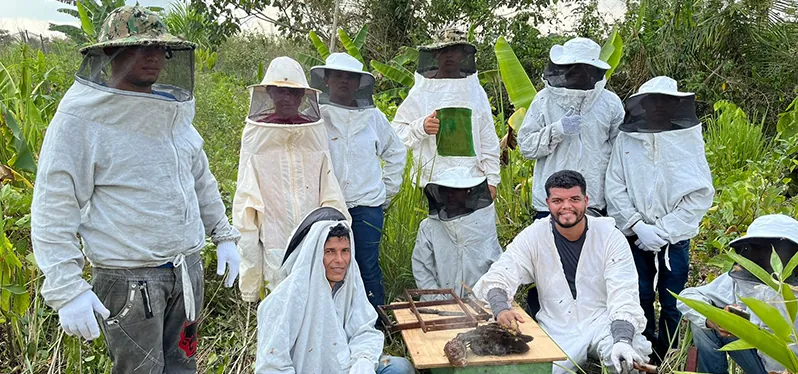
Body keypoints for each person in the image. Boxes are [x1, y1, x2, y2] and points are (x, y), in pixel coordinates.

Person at [30, 6, 241, 373]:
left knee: (183, 367)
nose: (154, 57)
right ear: (111, 52)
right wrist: (66, 289)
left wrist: (223, 234)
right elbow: (54, 203)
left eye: (160, 49)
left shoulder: (171, 109)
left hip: (186, 270)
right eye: (141, 47)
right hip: (128, 280)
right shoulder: (82, 118)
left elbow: (200, 178)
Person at [472, 170, 652, 374]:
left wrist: (622, 339)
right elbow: (500, 275)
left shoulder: (610, 236)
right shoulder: (534, 236)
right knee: (540, 370)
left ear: (586, 200)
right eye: (558, 200)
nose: (567, 206)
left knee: (629, 359)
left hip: (603, 322)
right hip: (556, 327)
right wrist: (501, 309)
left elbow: (624, 294)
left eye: (574, 199)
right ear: (548, 203)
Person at [605, 76, 715, 362]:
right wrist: (638, 225)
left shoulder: (687, 140)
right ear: (641, 105)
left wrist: (664, 230)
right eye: (650, 101)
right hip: (633, 237)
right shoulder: (626, 138)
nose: (656, 107)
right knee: (637, 295)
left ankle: (669, 357)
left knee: (672, 300)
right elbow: (615, 184)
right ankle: (642, 354)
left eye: (663, 101)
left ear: (674, 105)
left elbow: (700, 194)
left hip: (674, 240)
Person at [517, 36, 625, 318]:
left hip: (592, 201)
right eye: (572, 67)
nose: (577, 74)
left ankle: (588, 326)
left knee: (593, 269)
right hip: (549, 202)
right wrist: (556, 129)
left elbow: (619, 155)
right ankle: (544, 327)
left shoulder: (611, 104)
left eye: (583, 68)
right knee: (545, 266)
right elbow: (526, 145)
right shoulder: (543, 101)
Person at [234, 56, 350, 302]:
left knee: (316, 298)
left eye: (292, 92)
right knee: (279, 300)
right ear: (270, 94)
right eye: (280, 91)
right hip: (273, 233)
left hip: (314, 233)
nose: (286, 97)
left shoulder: (315, 130)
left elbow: (328, 184)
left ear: (301, 97)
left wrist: (337, 226)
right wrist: (250, 280)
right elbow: (246, 195)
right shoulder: (256, 133)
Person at [255, 207, 415, 374]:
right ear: (315, 255)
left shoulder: (350, 285)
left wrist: (363, 362)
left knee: (398, 368)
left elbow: (364, 330)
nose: (340, 260)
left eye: (345, 251)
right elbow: (272, 366)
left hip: (345, 366)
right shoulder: (284, 300)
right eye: (330, 251)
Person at [310, 53, 407, 309]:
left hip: (367, 206)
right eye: (338, 76)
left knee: (367, 265)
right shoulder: (316, 116)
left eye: (350, 77)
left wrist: (386, 192)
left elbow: (396, 151)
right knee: (328, 265)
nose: (344, 81)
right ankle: (329, 322)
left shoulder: (373, 117)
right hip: (326, 205)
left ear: (359, 83)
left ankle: (375, 323)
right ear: (327, 80)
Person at [678, 214, 798, 374]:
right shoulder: (740, 280)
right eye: (758, 247)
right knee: (703, 324)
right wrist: (715, 319)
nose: (765, 255)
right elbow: (689, 296)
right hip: (761, 367)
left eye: (772, 248)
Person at [391, 28, 500, 197]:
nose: (449, 55)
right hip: (430, 185)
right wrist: (421, 127)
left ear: (463, 55)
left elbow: (488, 138)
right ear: (435, 54)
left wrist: (492, 180)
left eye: (455, 51)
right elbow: (395, 135)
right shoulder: (421, 91)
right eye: (444, 51)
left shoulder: (475, 91)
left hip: (471, 183)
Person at [412, 168, 502, 299]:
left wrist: (480, 295)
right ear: (438, 193)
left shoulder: (483, 222)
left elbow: (495, 263)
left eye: (456, 191)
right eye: (446, 190)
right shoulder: (428, 227)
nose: (450, 195)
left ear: (467, 192)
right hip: (436, 303)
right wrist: (436, 298)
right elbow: (422, 267)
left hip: (479, 300)